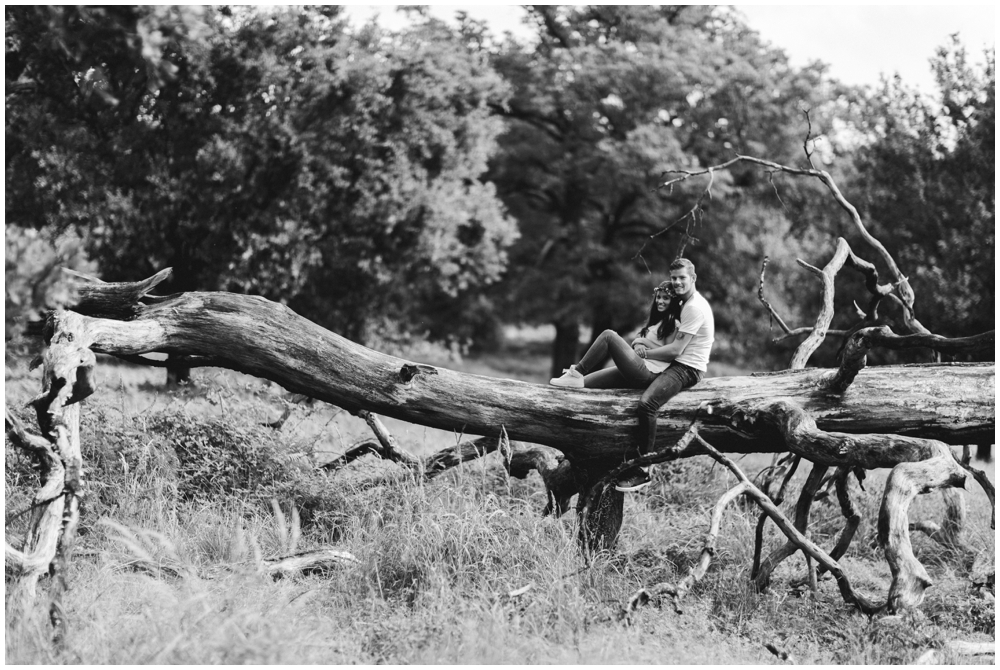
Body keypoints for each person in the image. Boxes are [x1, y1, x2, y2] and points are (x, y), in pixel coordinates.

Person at [549, 258, 715, 492]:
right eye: (674, 278)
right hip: (663, 366)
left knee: (646, 403)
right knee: (586, 385)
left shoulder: (694, 307)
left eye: (682, 278)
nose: (677, 282)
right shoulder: (684, 305)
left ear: (693, 278)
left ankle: (644, 469)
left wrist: (643, 351)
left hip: (685, 369)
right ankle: (577, 380)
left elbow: (676, 351)